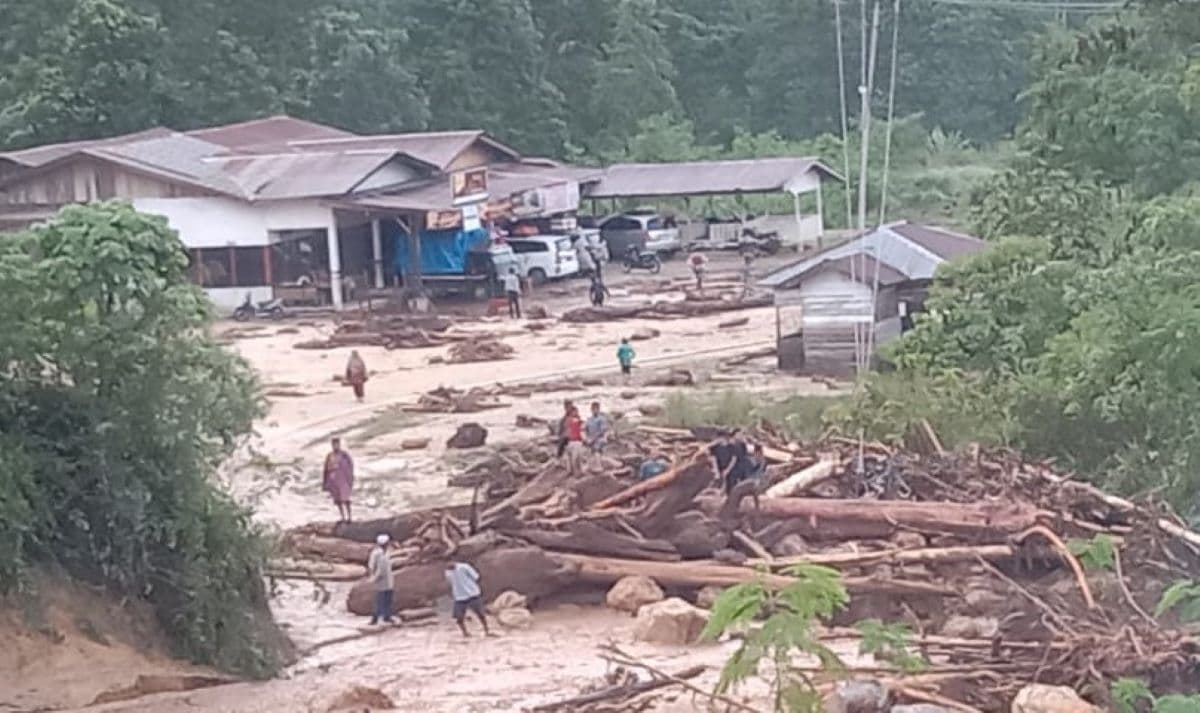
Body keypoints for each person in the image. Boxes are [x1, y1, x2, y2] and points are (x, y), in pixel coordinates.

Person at [445, 561, 491, 637]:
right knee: (459, 617)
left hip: (472, 593)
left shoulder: (464, 567)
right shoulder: (448, 572)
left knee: (480, 613)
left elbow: (476, 577)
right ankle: (465, 633)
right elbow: (451, 583)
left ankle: (487, 630)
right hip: (459, 596)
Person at [323, 437, 354, 523]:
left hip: (343, 480)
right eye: (334, 445)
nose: (335, 446)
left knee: (346, 499)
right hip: (334, 481)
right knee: (338, 501)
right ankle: (343, 517)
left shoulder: (344, 455)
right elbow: (326, 469)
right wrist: (325, 482)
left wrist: (350, 478)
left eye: (337, 444)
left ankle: (350, 517)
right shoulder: (330, 456)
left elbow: (350, 466)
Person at [367, 534, 396, 625]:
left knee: (388, 599)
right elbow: (371, 566)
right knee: (380, 599)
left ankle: (387, 616)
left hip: (388, 579)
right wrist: (373, 577)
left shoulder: (387, 552)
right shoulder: (376, 553)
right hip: (380, 579)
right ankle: (375, 618)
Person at [585, 401, 610, 465]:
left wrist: (593, 439)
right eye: (593, 409)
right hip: (591, 440)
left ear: (598, 409)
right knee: (592, 456)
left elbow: (602, 431)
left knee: (597, 452)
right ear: (591, 409)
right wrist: (586, 438)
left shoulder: (601, 419)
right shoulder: (589, 419)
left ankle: (599, 467)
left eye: (596, 409)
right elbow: (585, 430)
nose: (595, 410)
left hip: (598, 440)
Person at [563, 404, 586, 475]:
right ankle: (576, 471)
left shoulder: (571, 420)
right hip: (574, 440)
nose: (576, 413)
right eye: (575, 412)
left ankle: (574, 470)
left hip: (575, 440)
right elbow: (580, 429)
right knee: (575, 457)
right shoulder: (574, 420)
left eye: (576, 411)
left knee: (577, 457)